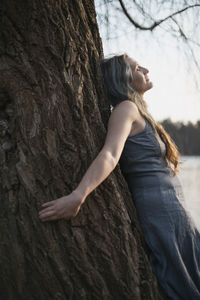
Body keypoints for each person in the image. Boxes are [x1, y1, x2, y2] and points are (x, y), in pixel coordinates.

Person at [39, 54, 200, 299]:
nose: (146, 69)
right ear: (123, 78)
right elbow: (110, 155)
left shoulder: (138, 111)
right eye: (137, 67)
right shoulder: (126, 109)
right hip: (159, 210)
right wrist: (78, 195)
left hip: (172, 208)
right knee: (180, 282)